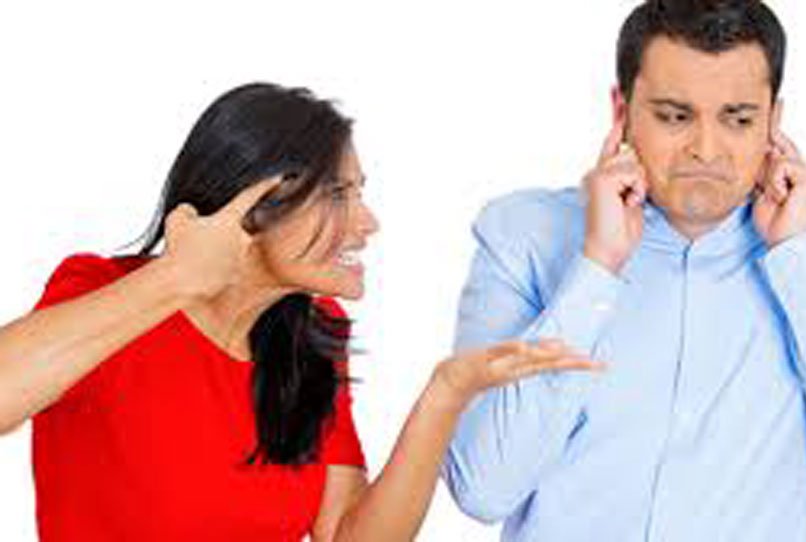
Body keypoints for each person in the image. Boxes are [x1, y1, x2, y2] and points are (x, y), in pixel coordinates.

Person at [0, 83, 601, 541]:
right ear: (253, 203)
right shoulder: (104, 290)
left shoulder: (312, 335)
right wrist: (176, 278)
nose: (367, 223)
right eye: (338, 194)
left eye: (360, 192)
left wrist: (446, 394)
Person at [442, 1, 806, 540]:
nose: (705, 150)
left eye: (738, 119)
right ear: (621, 111)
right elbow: (482, 489)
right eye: (674, 117)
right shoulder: (522, 235)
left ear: (774, 122)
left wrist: (796, 259)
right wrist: (597, 267)